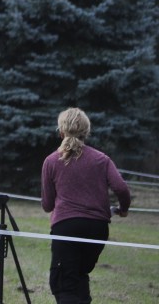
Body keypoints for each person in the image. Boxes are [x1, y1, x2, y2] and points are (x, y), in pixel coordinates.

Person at [41, 107, 131, 304]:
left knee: (63, 283)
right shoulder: (102, 159)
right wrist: (123, 209)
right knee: (80, 275)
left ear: (61, 131)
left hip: (66, 227)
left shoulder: (51, 161)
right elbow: (121, 188)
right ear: (86, 132)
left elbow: (47, 205)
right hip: (98, 229)